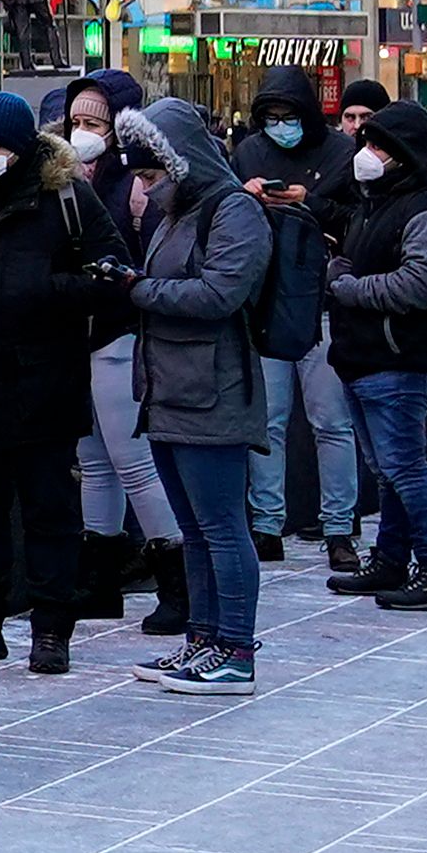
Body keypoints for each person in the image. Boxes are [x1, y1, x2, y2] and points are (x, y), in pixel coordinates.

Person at [0, 90, 126, 677]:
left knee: (50, 513)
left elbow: (113, 277)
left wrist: (47, 292)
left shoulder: (66, 198)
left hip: (47, 385)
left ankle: (51, 629)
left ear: (22, 150)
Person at [121, 100, 277, 688]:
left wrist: (140, 290)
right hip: (167, 391)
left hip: (215, 391)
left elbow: (219, 294)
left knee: (220, 525)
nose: (146, 188)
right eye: (139, 178)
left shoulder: (233, 210)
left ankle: (235, 647)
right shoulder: (176, 215)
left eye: (151, 175)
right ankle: (203, 639)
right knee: (195, 528)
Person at [321, 102, 427, 612]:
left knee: (406, 469)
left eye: (380, 147)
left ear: (405, 155)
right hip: (364, 358)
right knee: (388, 471)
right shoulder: (375, 203)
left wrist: (349, 287)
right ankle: (390, 558)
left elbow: (420, 284)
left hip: (400, 360)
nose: (367, 155)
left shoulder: (425, 210)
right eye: (367, 144)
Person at [55, 72, 184, 634]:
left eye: (95, 124)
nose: (83, 134)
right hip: (79, 335)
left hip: (120, 332)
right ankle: (99, 575)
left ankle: (174, 575)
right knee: (94, 463)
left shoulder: (135, 183)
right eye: (76, 123)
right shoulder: (63, 178)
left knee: (132, 462)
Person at [233, 69, 364, 565]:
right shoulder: (249, 152)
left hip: (321, 297)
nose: (280, 126)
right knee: (268, 421)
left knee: (330, 419)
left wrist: (311, 203)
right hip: (268, 298)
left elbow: (357, 219)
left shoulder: (340, 155)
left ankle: (338, 525)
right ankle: (267, 522)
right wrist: (247, 196)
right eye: (271, 118)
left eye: (288, 117)